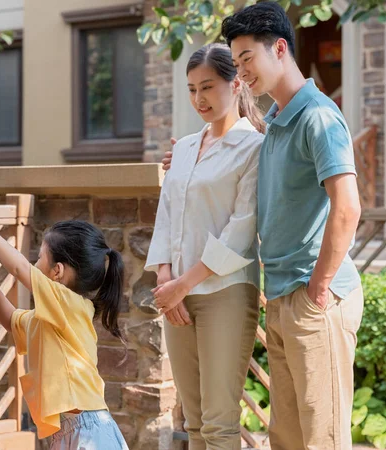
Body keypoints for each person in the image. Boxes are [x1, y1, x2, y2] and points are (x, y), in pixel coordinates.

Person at [163, 3, 364, 449]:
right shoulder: (274, 124)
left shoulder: (318, 116)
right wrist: (187, 161)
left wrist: (319, 288)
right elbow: (233, 157)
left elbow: (347, 207)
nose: (242, 73)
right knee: (287, 439)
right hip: (281, 295)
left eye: (247, 59)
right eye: (235, 63)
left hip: (315, 297)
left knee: (322, 440)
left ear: (279, 48)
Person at [145, 43, 265, 450]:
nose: (199, 99)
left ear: (235, 84)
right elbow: (166, 214)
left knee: (219, 425)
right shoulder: (182, 149)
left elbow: (242, 229)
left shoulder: (254, 148)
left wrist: (184, 284)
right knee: (193, 422)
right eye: (192, 89)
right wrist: (166, 280)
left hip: (225, 292)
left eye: (208, 87)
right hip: (176, 294)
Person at [0, 208, 129, 450]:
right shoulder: (51, 319)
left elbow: (19, 268)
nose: (34, 264)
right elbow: (11, 321)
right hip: (73, 430)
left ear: (57, 271)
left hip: (87, 429)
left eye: (40, 258)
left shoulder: (69, 304)